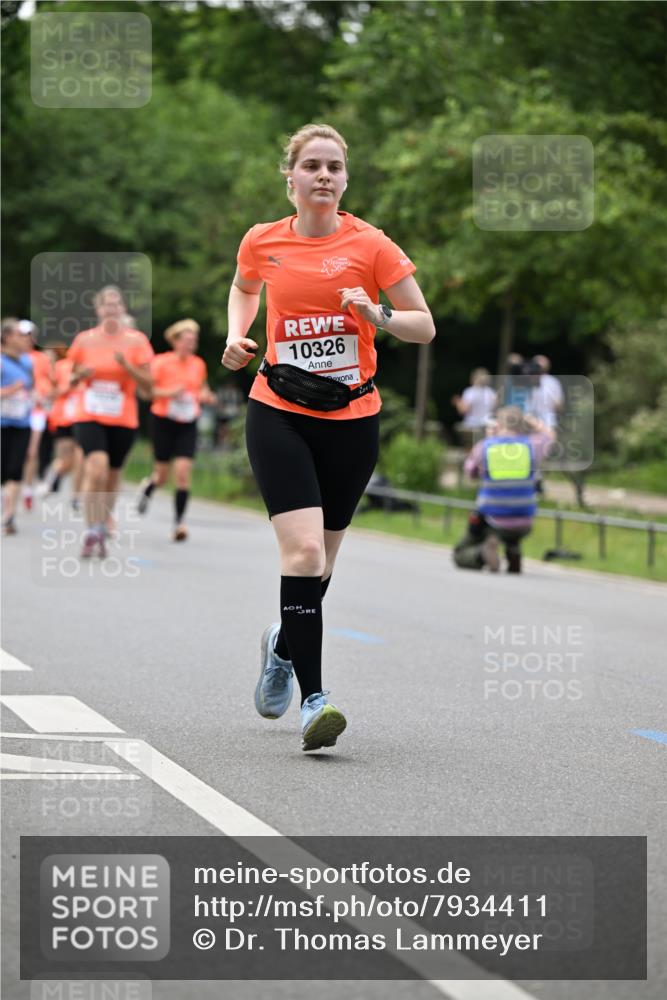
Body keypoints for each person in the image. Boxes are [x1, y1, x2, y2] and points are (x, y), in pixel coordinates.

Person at [222, 123, 435, 752]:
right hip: (279, 409)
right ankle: (315, 700)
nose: (323, 176)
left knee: (321, 569)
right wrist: (239, 334)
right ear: (288, 177)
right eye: (311, 165)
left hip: (352, 418)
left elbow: (423, 326)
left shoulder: (372, 246)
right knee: (305, 557)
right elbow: (243, 287)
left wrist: (378, 315)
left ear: (345, 179)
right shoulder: (263, 241)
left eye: (334, 167)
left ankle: (282, 645)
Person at [67, 285, 153, 557]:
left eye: (116, 304)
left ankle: (103, 521)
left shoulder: (137, 341)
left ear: (122, 308)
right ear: (98, 309)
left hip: (123, 416)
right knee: (96, 468)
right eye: (106, 304)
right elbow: (69, 378)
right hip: (89, 413)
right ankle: (91, 527)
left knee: (113, 477)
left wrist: (127, 366)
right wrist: (80, 374)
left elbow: (149, 384)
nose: (111, 309)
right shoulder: (84, 340)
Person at [136, 318, 216, 541]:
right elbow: (147, 392)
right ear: (176, 341)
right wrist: (168, 393)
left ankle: (179, 523)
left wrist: (206, 396)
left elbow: (202, 389)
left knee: (182, 473)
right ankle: (149, 486)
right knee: (162, 475)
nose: (191, 345)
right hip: (163, 420)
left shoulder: (198, 363)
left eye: (194, 341)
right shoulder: (161, 362)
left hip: (188, 422)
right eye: (187, 340)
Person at [453, 406, 555, 573]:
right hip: (525, 520)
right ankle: (513, 549)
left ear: (498, 424)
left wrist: (489, 438)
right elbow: (550, 436)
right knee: (511, 529)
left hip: (493, 519)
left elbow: (470, 473)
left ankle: (482, 554)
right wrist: (533, 422)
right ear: (522, 425)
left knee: (460, 553)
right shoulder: (531, 445)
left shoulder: (486, 446)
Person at [38, 343, 84, 502]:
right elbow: (51, 393)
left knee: (81, 459)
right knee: (66, 461)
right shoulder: (60, 367)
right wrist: (68, 388)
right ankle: (52, 476)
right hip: (63, 417)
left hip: (83, 418)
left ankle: (76, 497)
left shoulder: (89, 367)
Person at [1, 318, 34, 534]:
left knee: (15, 469)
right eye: (18, 335)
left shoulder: (27, 362)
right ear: (6, 337)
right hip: (2, 423)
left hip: (22, 422)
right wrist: (10, 391)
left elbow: (32, 389)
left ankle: (9, 515)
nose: (24, 340)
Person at [18, 321, 53, 510]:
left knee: (31, 452)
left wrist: (44, 395)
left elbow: (49, 381)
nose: (26, 339)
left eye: (29, 335)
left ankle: (27, 490)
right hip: (11, 408)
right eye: (22, 335)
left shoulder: (41, 359)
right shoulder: (7, 356)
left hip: (36, 409)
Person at [529, 354, 564, 429]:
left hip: (544, 422)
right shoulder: (553, 382)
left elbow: (558, 405)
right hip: (537, 422)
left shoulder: (553, 382)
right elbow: (558, 405)